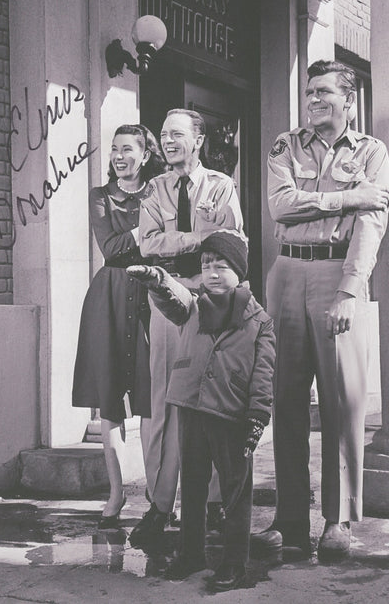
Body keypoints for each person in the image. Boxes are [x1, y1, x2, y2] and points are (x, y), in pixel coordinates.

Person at [256, 60, 389, 561]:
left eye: (324, 92)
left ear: (349, 101)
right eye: (309, 91)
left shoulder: (371, 152)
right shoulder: (284, 145)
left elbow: (370, 226)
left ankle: (338, 522)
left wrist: (349, 291)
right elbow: (280, 205)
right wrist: (348, 196)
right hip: (287, 274)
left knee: (341, 401)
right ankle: (290, 519)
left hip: (337, 273)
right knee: (285, 399)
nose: (313, 99)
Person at [127, 230, 275, 591]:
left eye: (221, 267)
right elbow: (172, 298)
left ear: (238, 272)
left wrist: (257, 417)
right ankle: (190, 552)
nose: (211, 273)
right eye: (206, 266)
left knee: (235, 491)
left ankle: (234, 562)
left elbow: (264, 374)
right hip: (191, 407)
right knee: (191, 485)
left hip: (232, 414)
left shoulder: (259, 321)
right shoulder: (194, 306)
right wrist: (158, 280)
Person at [130, 109, 244, 544]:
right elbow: (148, 243)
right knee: (163, 400)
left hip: (209, 296)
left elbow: (233, 241)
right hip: (165, 292)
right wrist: (198, 237)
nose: (168, 141)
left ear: (198, 140)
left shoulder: (221, 185)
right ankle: (160, 505)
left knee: (212, 395)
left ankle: (214, 503)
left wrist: (189, 239)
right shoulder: (155, 188)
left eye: (177, 134)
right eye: (163, 135)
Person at [72, 123, 166, 529]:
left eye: (127, 149)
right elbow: (109, 248)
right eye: (114, 150)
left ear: (146, 155)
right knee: (109, 400)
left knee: (150, 398)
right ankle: (115, 492)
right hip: (108, 297)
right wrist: (151, 229)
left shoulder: (160, 190)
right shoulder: (99, 196)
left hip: (150, 294)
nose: (118, 156)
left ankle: (158, 494)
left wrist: (156, 232)